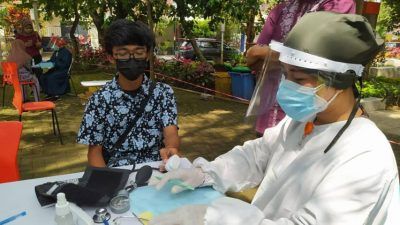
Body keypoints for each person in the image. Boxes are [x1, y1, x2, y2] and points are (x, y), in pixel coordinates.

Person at [149, 12, 400, 225]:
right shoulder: (304, 121)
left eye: (299, 79)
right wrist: (205, 173)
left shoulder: (365, 155)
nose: (287, 86)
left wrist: (217, 215)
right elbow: (256, 155)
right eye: (285, 75)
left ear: (342, 80)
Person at [76, 19, 179, 168]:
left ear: (148, 54)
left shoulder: (163, 93)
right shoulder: (99, 100)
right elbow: (94, 153)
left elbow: (171, 133)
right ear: (111, 57)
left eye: (139, 52)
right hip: (117, 174)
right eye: (123, 53)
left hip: (157, 168)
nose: (131, 59)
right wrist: (108, 186)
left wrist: (171, 149)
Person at [246, 0, 355, 137]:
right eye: (286, 72)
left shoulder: (339, 4)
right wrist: (284, 56)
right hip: (269, 114)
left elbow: (321, 54)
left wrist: (269, 54)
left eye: (299, 76)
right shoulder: (281, 10)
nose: (289, 77)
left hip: (311, 114)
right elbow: (255, 60)